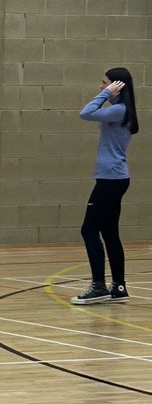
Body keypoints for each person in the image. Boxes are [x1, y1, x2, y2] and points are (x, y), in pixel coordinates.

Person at [70, 68, 138, 305]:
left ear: (118, 86)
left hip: (111, 180)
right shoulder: (120, 111)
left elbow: (86, 113)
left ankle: (99, 286)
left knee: (88, 230)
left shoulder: (119, 110)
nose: (101, 86)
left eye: (105, 83)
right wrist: (108, 92)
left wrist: (106, 94)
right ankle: (119, 287)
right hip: (114, 179)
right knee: (109, 233)